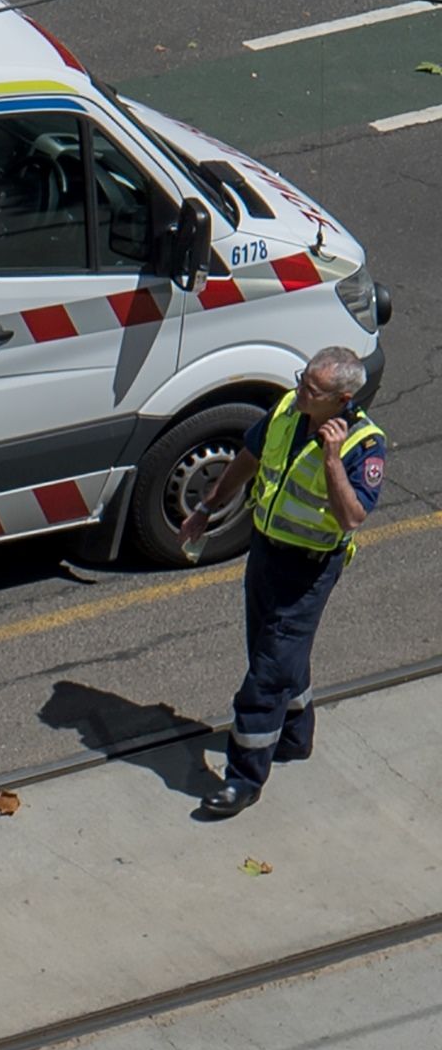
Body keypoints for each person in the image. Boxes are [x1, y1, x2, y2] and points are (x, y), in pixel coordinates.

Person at [177, 347, 388, 821]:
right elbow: (249, 458)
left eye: (312, 388)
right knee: (269, 651)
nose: (301, 391)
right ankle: (293, 737)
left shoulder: (365, 444)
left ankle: (243, 779)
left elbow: (352, 517)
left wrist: (332, 459)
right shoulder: (288, 410)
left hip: (310, 570)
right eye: (303, 379)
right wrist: (208, 507)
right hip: (267, 553)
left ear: (343, 398)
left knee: (268, 672)